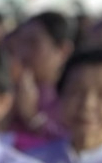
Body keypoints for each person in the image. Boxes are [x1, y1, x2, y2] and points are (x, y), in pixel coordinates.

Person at [5, 10, 73, 142]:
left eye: (33, 43)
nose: (23, 52)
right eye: (20, 42)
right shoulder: (8, 87)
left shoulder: (71, 96)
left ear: (63, 50)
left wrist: (32, 117)